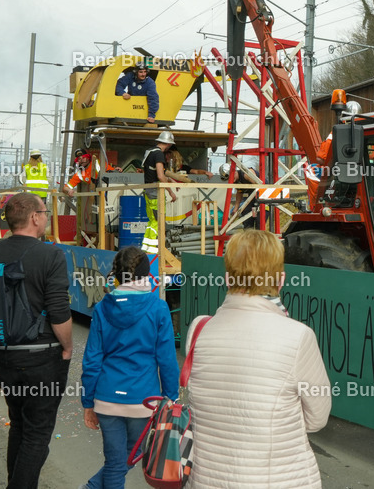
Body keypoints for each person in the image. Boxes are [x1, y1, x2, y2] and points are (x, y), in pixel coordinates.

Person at [185, 229, 331, 488]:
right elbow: (317, 418)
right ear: (281, 279)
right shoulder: (299, 337)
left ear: (227, 279)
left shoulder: (199, 329)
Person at [0, 192, 73, 488]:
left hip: (2, 356)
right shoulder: (51, 255)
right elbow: (59, 311)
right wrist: (68, 347)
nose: (46, 218)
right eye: (45, 213)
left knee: (19, 423)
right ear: (34, 217)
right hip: (43, 355)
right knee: (37, 433)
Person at [80, 246, 179, 489]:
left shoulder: (102, 308)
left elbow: (92, 359)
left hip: (107, 397)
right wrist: (171, 398)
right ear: (146, 273)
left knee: (115, 462)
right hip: (143, 400)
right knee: (130, 456)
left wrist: (88, 402)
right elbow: (167, 359)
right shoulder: (158, 308)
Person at [140, 133, 179, 255]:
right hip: (155, 193)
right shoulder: (159, 154)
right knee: (158, 222)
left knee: (152, 221)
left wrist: (172, 180)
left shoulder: (150, 152)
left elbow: (160, 172)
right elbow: (161, 176)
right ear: (168, 144)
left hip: (148, 191)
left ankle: (147, 249)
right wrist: (171, 191)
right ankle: (154, 252)